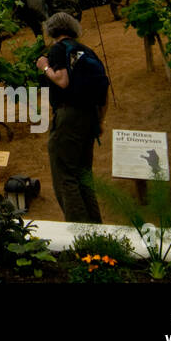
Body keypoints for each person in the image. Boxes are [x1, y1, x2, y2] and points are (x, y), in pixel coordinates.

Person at [35, 12, 108, 223]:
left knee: (65, 176)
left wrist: (44, 66)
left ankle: (80, 233)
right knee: (84, 176)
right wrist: (100, 121)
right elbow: (103, 90)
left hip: (68, 116)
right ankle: (96, 229)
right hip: (91, 116)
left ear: (51, 30)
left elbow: (62, 80)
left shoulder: (58, 49)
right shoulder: (87, 51)